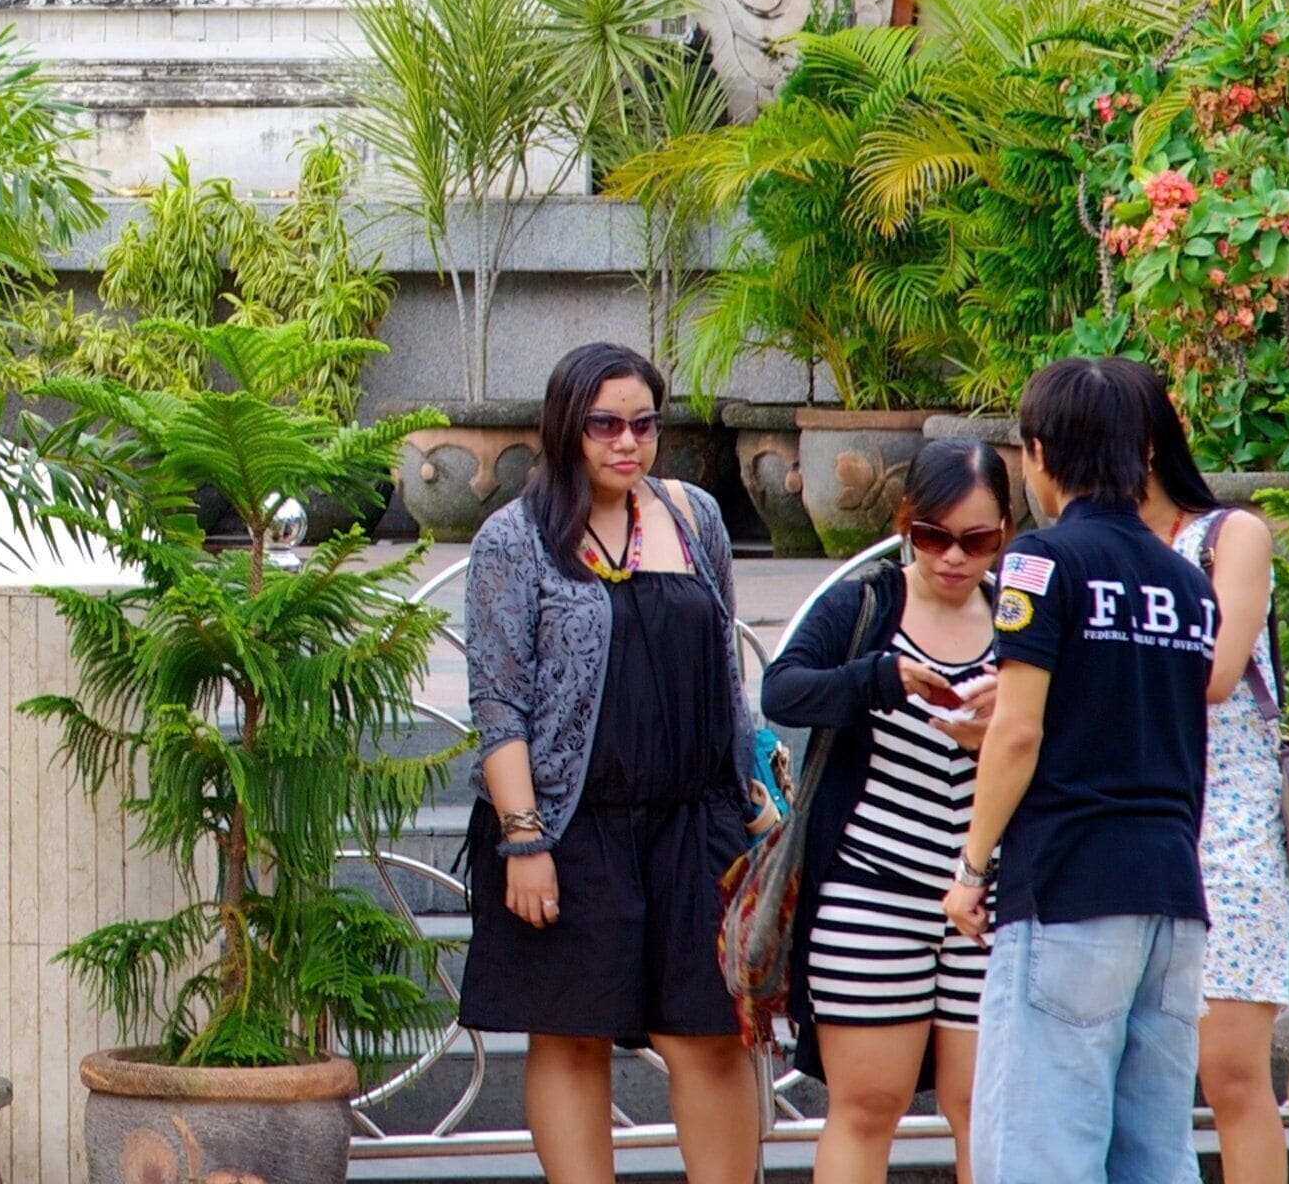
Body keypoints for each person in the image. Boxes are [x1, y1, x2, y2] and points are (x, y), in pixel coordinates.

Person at [462, 340, 766, 1184]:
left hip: (694, 819)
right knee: (571, 1035)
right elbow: (498, 702)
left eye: (643, 424)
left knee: (711, 1034)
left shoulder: (695, 517)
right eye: (604, 424)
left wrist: (750, 795)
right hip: (571, 824)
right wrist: (525, 840)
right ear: (567, 427)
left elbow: (726, 671)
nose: (627, 442)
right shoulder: (515, 538)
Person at [943, 358, 1216, 1184]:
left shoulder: (1039, 563)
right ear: (1143, 453)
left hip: (1068, 885)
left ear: (1038, 453)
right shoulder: (1187, 582)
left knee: (1041, 1153)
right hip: (1171, 895)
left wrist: (972, 868)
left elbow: (1017, 733)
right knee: (1155, 1156)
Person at [762, 440, 1012, 1184]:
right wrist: (879, 678)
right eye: (933, 535)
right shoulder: (866, 603)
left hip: (992, 895)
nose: (953, 557)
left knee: (987, 1110)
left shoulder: (1021, 613)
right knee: (867, 1107)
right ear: (906, 524)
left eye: (977, 540)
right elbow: (782, 692)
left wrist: (1005, 724)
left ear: (1004, 532)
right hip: (870, 887)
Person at [1127, 365, 1289, 1184]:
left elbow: (1218, 673)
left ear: (1149, 446)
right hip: (1128, 823)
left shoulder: (1230, 535)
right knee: (1133, 1081)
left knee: (1230, 1075)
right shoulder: (1096, 550)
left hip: (1227, 825)